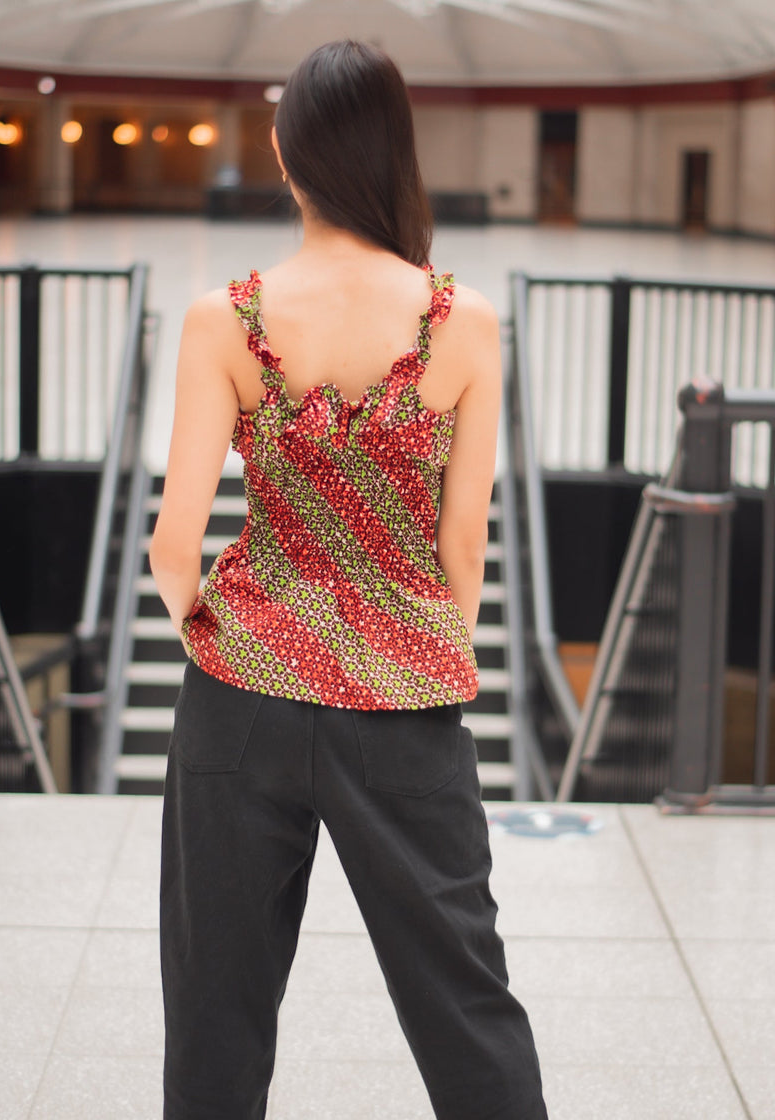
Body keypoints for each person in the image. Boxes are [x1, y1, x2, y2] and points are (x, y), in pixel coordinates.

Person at [150, 38, 547, 1120]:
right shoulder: (460, 321)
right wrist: (414, 642)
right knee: (465, 1006)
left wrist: (213, 629)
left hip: (240, 697)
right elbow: (463, 547)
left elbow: (173, 543)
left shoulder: (223, 318)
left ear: (286, 156)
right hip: (403, 707)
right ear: (393, 153)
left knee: (216, 1014)